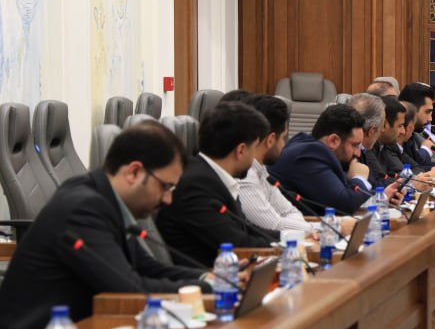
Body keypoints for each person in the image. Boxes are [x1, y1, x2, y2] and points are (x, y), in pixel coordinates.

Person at [0, 124, 213, 329]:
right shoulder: (84, 209)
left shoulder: (103, 198)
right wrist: (208, 289)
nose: (168, 199)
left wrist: (206, 278)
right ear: (134, 172)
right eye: (166, 186)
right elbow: (129, 289)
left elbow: (147, 267)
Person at [157, 102, 279, 265]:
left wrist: (294, 237)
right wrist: (291, 244)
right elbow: (237, 242)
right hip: (204, 276)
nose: (255, 158)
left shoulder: (210, 175)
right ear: (241, 150)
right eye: (255, 148)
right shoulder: (195, 185)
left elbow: (246, 228)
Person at [271, 103, 394, 215]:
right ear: (333, 140)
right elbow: (344, 203)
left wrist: (382, 196)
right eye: (355, 145)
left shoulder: (320, 152)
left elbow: (349, 189)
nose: (358, 153)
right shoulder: (309, 155)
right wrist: (359, 178)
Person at [236, 94, 312, 235]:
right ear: (270, 140)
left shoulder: (260, 169)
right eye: (283, 138)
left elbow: (289, 212)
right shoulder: (244, 176)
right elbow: (274, 225)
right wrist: (318, 230)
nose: (284, 145)